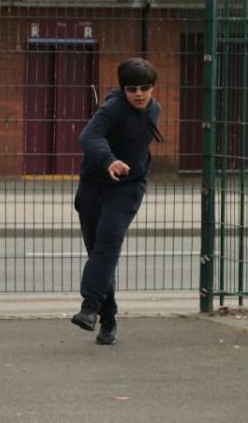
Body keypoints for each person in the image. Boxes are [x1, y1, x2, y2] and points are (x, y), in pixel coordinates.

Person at [71, 57, 163, 345]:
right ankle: (108, 318)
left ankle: (89, 309)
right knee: (99, 253)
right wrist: (109, 161)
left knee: (108, 241)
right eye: (132, 88)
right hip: (94, 186)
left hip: (127, 187)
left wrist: (127, 169)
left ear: (152, 88)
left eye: (145, 87)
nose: (139, 93)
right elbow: (89, 136)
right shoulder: (113, 108)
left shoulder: (154, 110)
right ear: (123, 88)